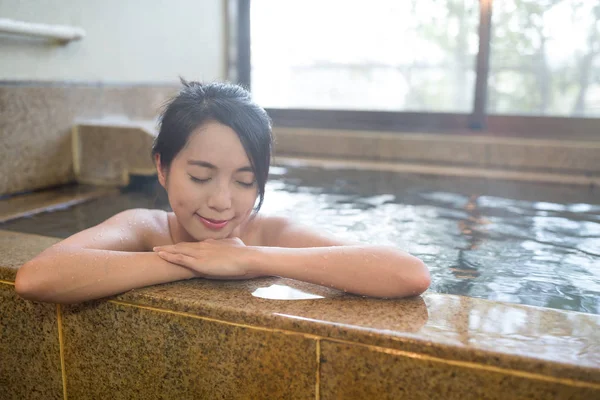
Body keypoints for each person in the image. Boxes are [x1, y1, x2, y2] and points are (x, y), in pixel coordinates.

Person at [15, 79, 430, 304]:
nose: (222, 201)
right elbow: (37, 277)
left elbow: (408, 272)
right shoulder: (144, 228)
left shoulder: (268, 235)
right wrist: (195, 262)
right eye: (200, 176)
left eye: (245, 181)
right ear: (161, 167)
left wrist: (248, 257)